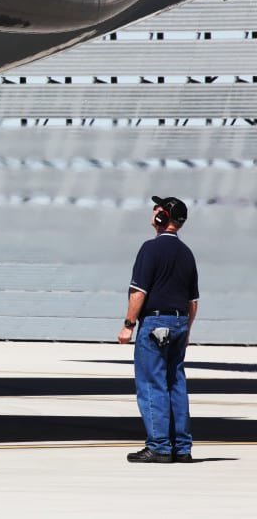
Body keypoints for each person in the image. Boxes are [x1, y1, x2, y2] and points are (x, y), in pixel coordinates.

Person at [118, 196, 199, 463]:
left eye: (157, 209)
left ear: (163, 216)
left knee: (152, 383)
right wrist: (186, 331)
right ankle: (182, 447)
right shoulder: (187, 253)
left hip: (155, 324)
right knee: (176, 383)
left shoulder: (150, 249)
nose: (153, 212)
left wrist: (128, 325)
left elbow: (138, 292)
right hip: (179, 323)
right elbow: (193, 301)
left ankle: (160, 446)